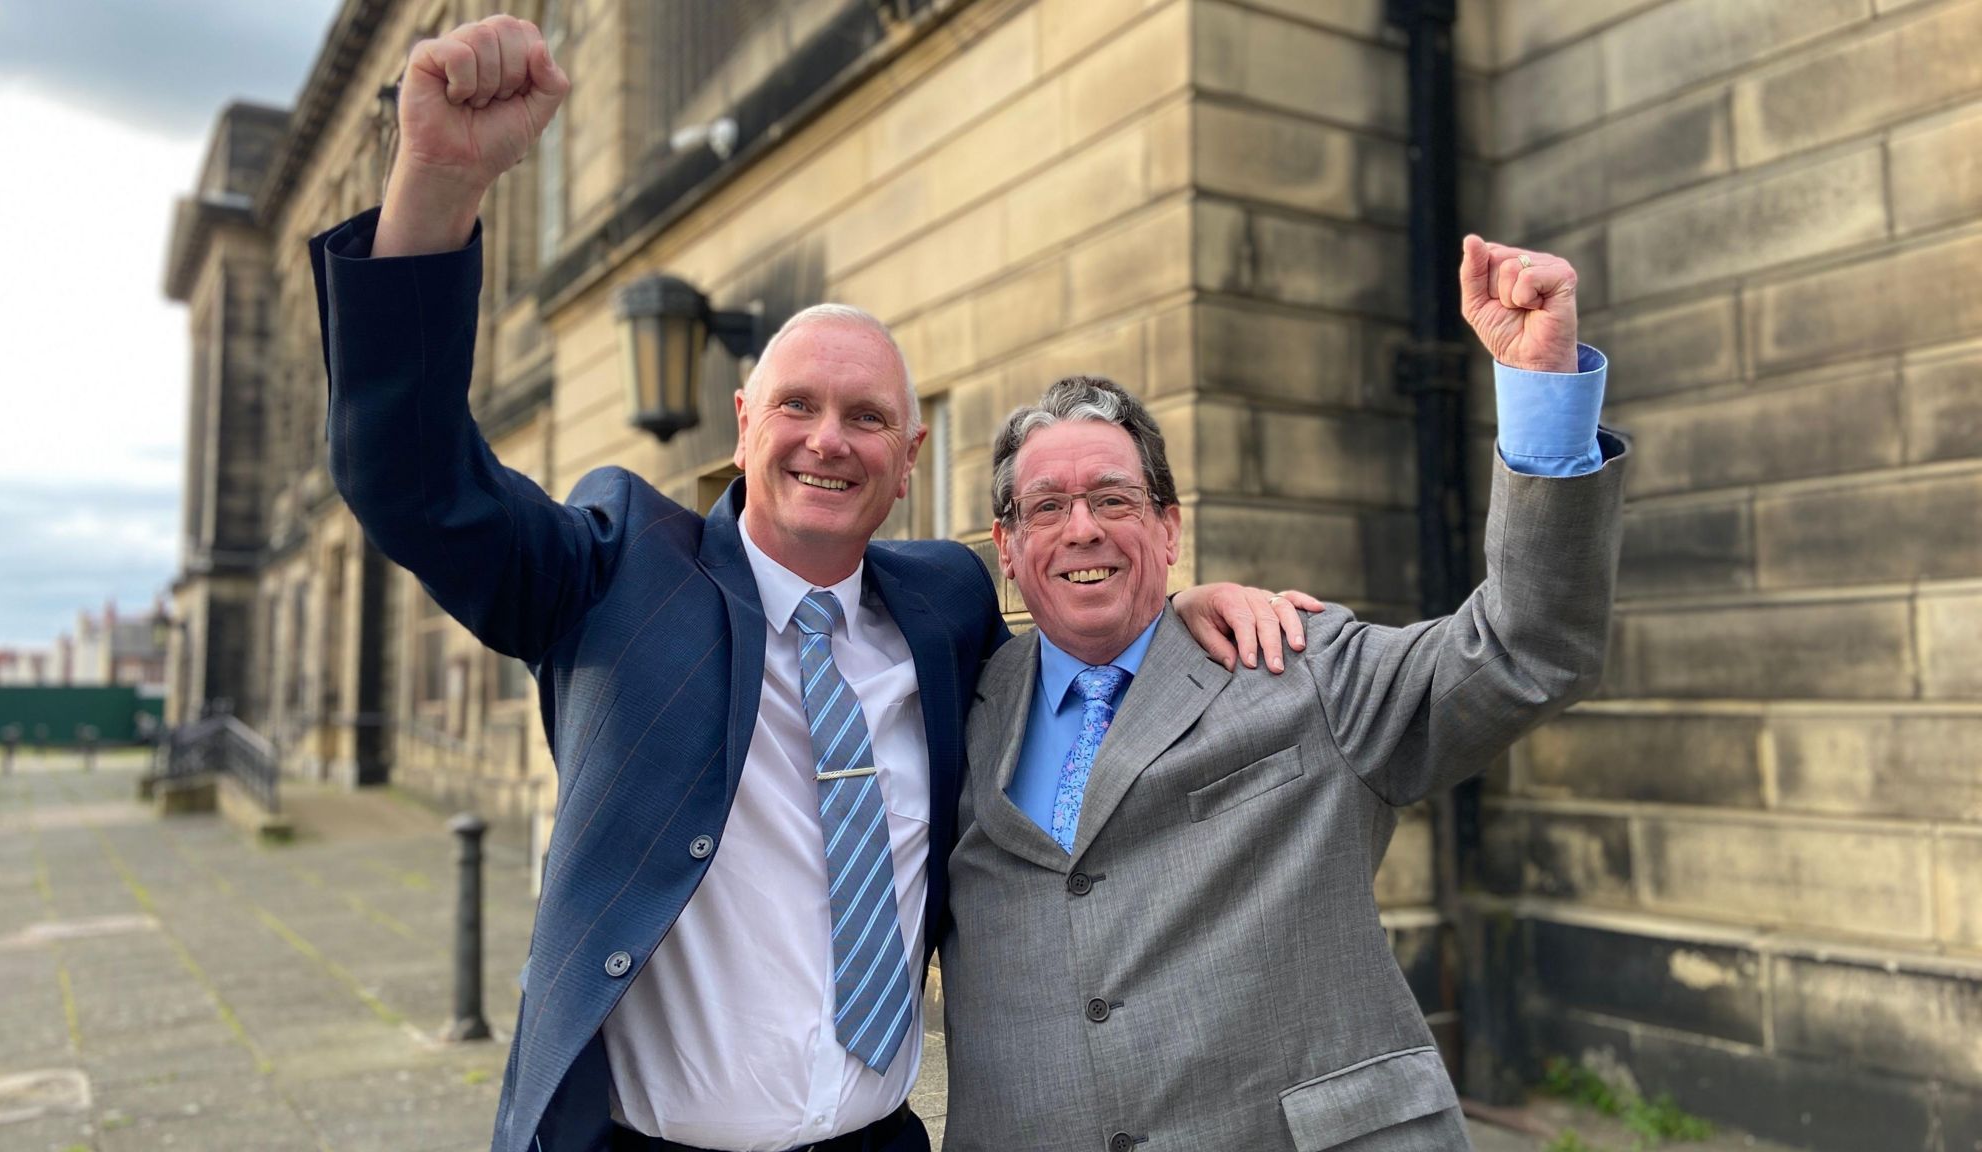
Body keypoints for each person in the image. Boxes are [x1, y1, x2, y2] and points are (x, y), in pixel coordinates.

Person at [309, 17, 1314, 1152]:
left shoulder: (945, 609)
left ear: (907, 461)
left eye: (866, 417)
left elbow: (1075, 655)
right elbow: (407, 480)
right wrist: (438, 178)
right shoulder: (611, 573)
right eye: (796, 406)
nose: (827, 441)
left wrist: (1170, 613)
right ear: (742, 427)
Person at [940, 236, 1629, 1152]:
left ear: (1169, 527)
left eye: (1114, 500)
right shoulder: (955, 706)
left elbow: (1527, 648)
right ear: (1010, 549)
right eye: (1047, 508)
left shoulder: (1297, 662)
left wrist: (1540, 386)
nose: (1082, 530)